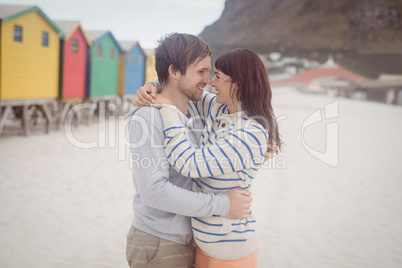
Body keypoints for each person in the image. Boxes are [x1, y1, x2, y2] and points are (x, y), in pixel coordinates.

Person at [135, 48, 281, 267]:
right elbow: (179, 85)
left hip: (231, 254)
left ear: (238, 83)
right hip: (202, 247)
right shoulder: (217, 109)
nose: (212, 82)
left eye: (219, 77)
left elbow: (188, 163)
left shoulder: (250, 132)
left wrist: (168, 109)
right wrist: (152, 86)